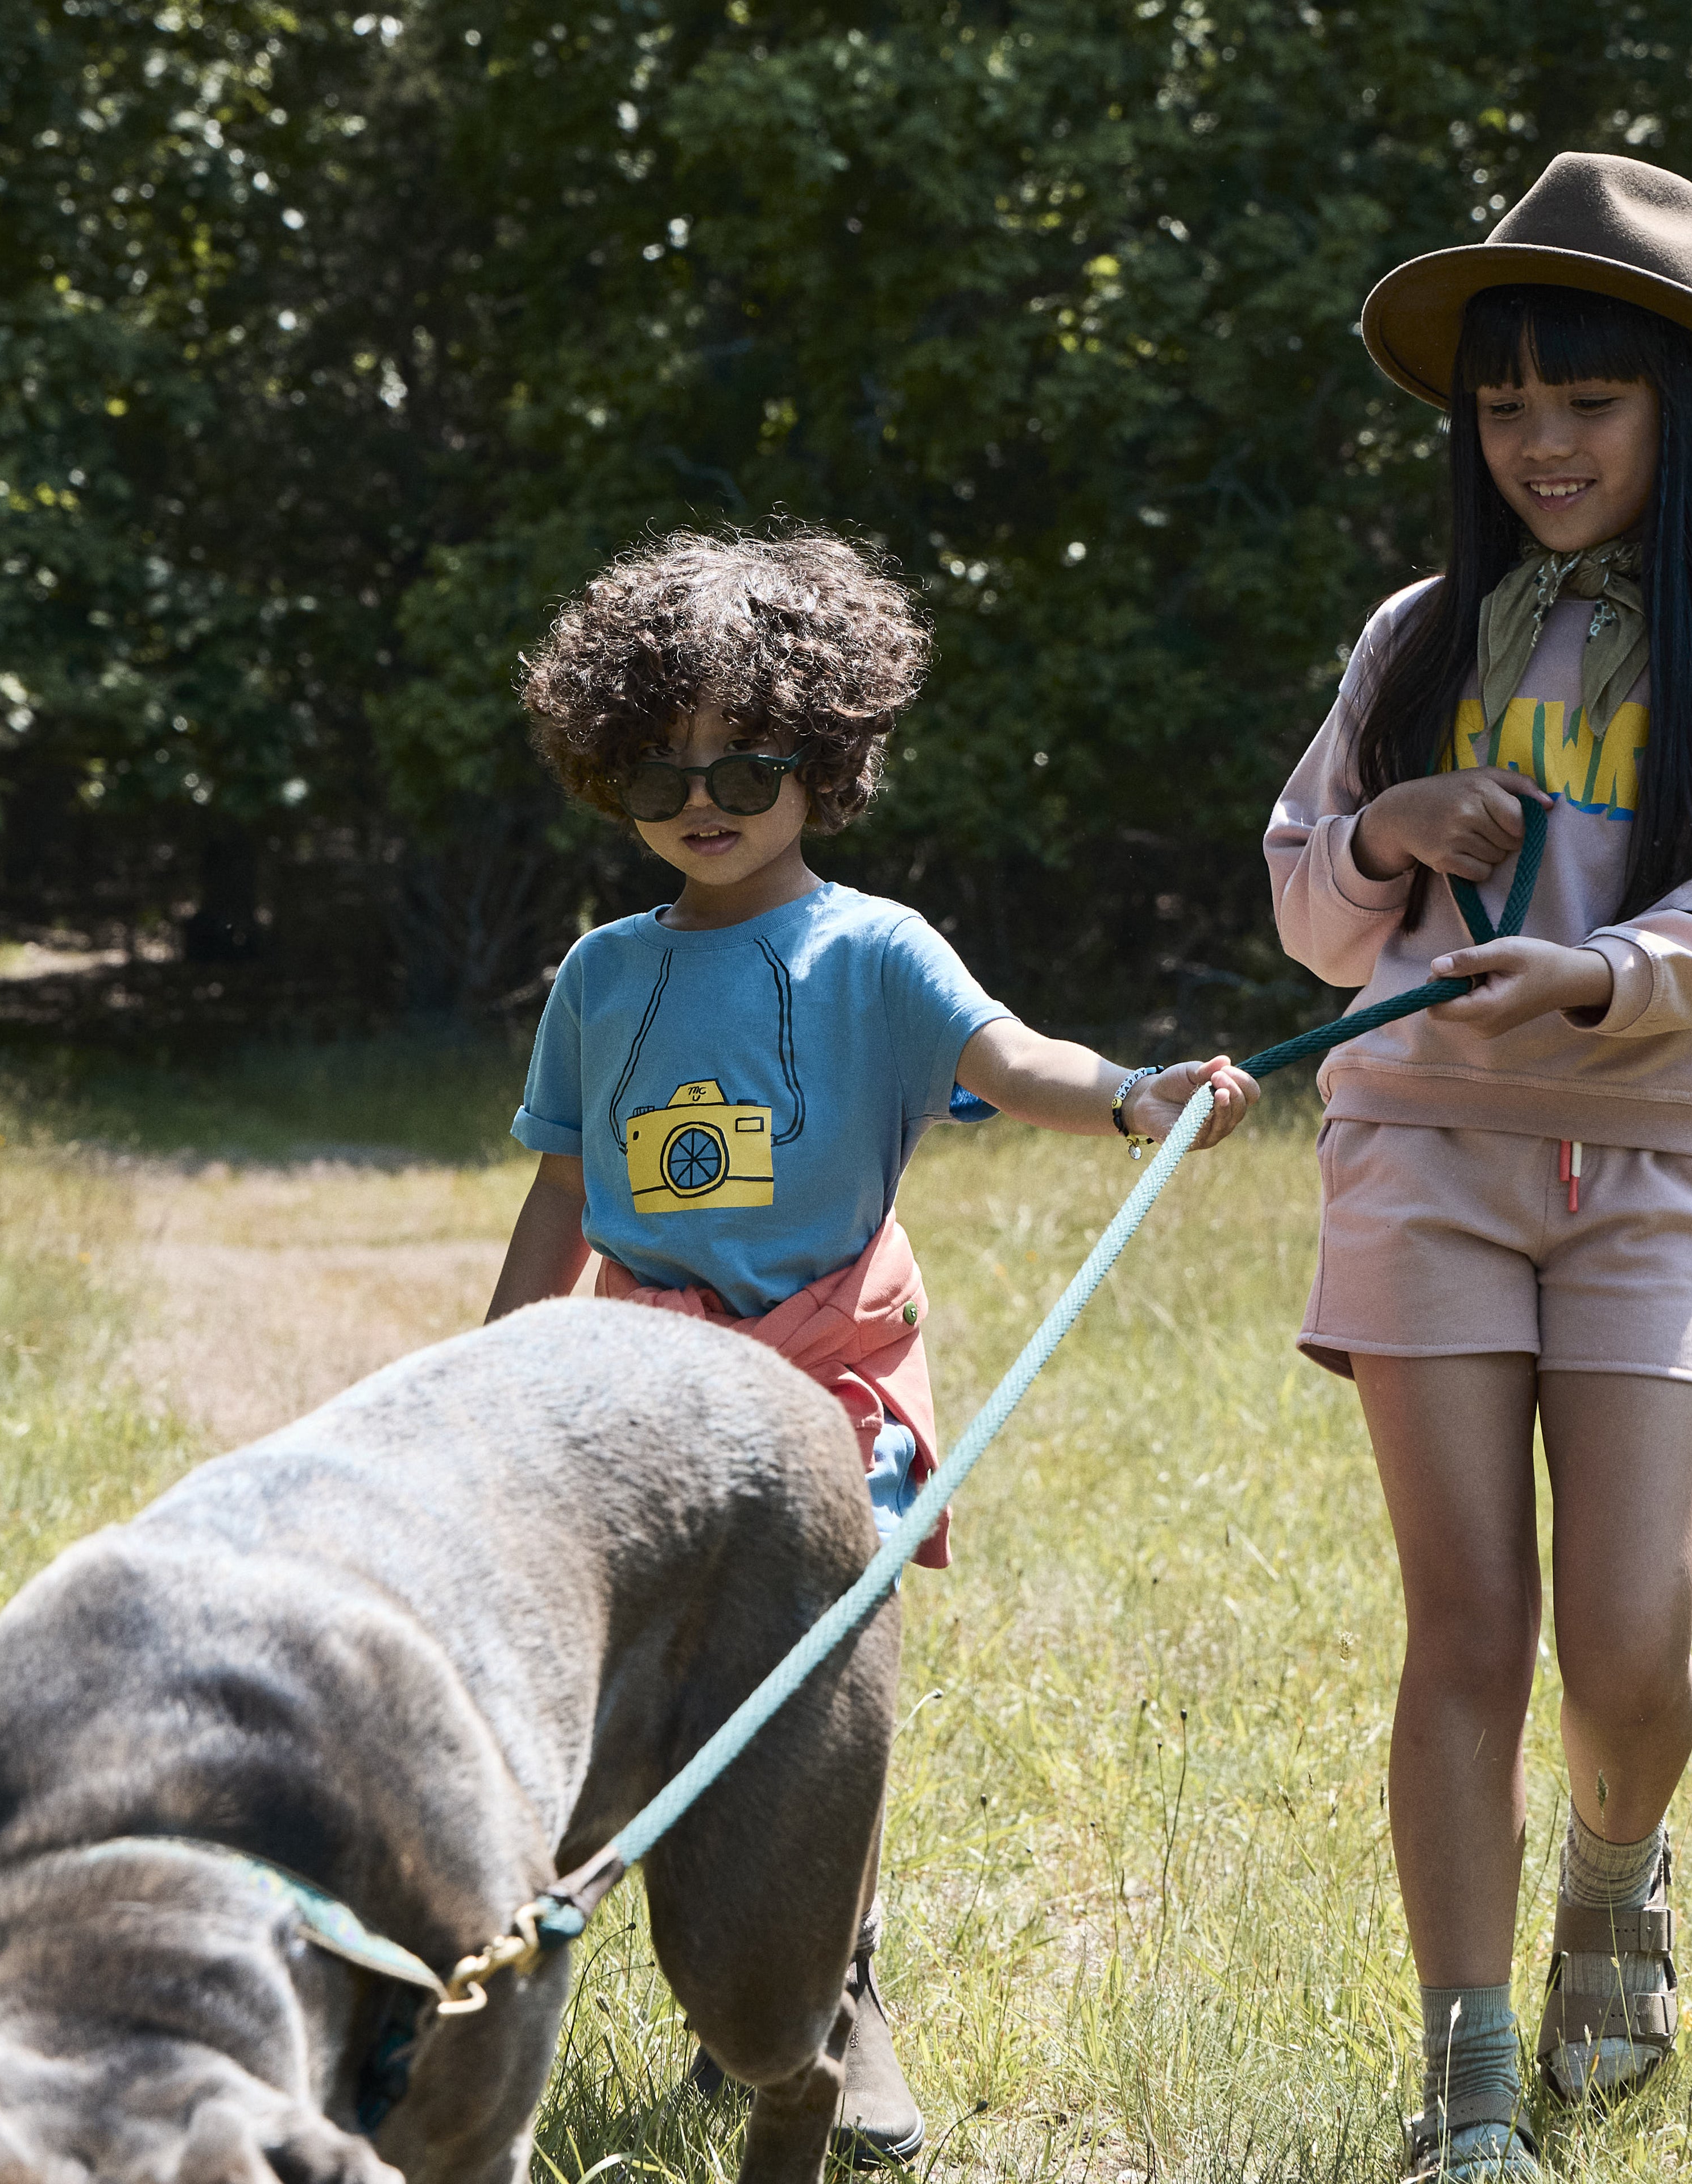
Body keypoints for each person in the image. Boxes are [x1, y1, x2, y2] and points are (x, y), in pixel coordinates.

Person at [486, 525, 1260, 2164]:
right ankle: (729, 2008)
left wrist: (1131, 1098)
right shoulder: (602, 975)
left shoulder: (875, 950)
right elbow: (564, 1190)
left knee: (815, 1694)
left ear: (824, 758)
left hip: (828, 1376)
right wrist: (492, 1381)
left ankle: (839, 2004)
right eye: (660, 769)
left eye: (750, 760)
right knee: (652, 1706)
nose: (705, 799)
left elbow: (1018, 1055)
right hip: (643, 1386)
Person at [1264, 154, 1692, 2181]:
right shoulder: (1416, 631)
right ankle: (1470, 2087)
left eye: (1585, 403)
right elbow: (1309, 918)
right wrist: (1387, 830)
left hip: (1659, 1166)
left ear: (1678, 410)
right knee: (1467, 1630)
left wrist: (1595, 976)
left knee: (1629, 1650)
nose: (1541, 444)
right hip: (1421, 1146)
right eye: (1504, 406)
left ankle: (1616, 1873)